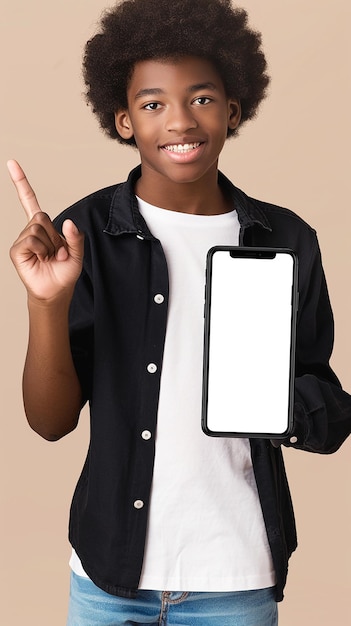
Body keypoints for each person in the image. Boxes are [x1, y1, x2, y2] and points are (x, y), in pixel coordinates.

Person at [8, 0, 351, 624]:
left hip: (236, 579)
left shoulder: (287, 239)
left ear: (233, 109)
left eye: (201, 98)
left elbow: (327, 415)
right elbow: (50, 422)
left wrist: (267, 398)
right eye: (152, 103)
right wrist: (46, 304)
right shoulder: (83, 232)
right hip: (107, 579)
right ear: (123, 120)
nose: (180, 122)